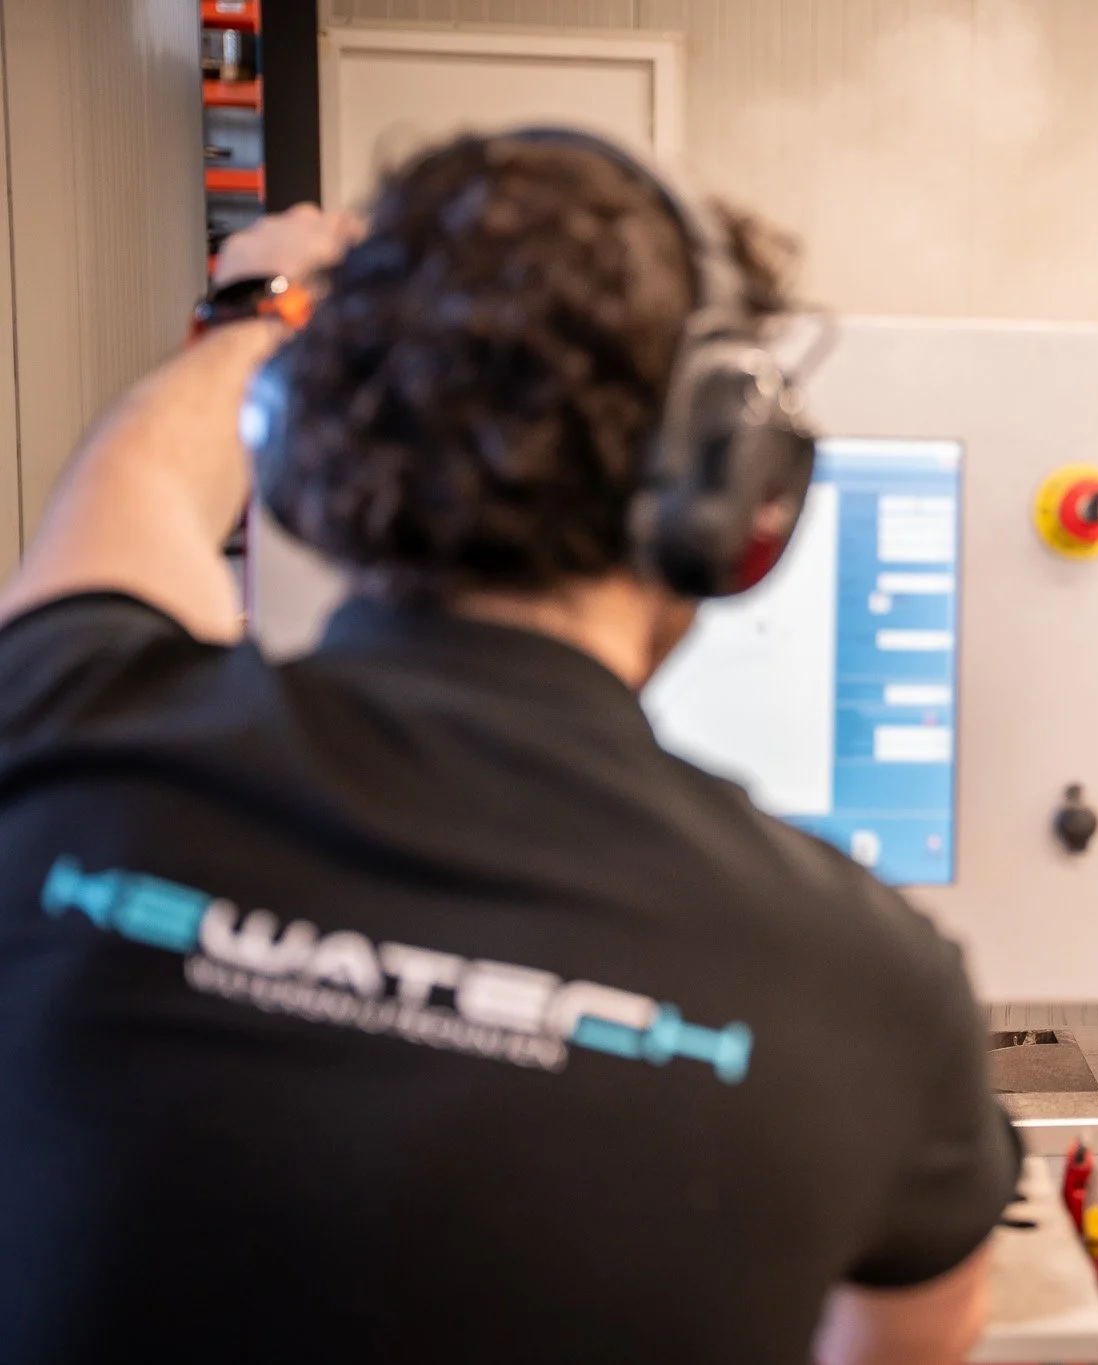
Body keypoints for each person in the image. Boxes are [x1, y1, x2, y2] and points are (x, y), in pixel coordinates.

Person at [0, 132, 1017, 1364]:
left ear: (316, 447)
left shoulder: (73, 738)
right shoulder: (873, 990)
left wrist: (260, 306)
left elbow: (135, 495)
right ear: (728, 494)